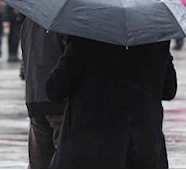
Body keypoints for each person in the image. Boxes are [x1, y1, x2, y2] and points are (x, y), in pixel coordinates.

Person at [45, 36, 177, 168]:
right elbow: (169, 90)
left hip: (91, 148)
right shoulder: (156, 38)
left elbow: (55, 90)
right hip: (142, 147)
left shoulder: (86, 36)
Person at [20, 17, 66, 168]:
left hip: (35, 96)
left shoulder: (31, 18)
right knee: (65, 158)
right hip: (59, 101)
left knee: (40, 160)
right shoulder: (67, 21)